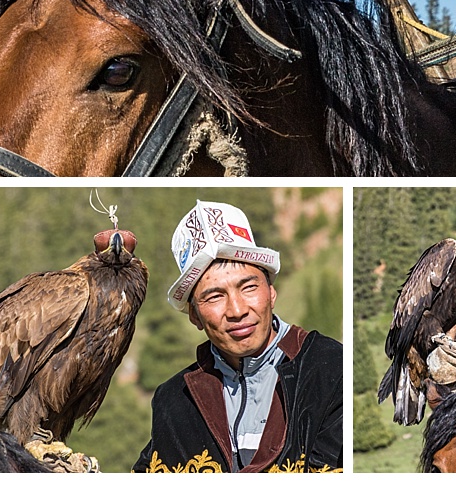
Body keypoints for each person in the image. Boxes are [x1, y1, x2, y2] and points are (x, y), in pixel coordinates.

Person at [133, 200, 342, 473]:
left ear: (271, 293)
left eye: (249, 287)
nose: (237, 310)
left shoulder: (331, 370)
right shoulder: (173, 400)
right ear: (194, 315)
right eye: (215, 296)